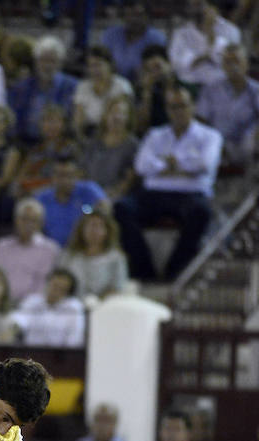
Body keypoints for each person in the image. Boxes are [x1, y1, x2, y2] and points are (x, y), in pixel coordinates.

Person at [114, 84, 223, 281]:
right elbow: (141, 166)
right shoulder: (156, 135)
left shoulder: (210, 136)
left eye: (182, 105)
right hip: (154, 194)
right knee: (121, 208)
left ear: (192, 107)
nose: (178, 111)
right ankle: (143, 271)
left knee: (202, 212)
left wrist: (166, 164)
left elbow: (205, 165)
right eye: (173, 107)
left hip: (190, 194)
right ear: (167, 109)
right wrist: (184, 166)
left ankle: (175, 272)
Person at [195, 43, 259, 168]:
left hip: (246, 143)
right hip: (216, 143)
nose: (233, 66)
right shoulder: (210, 89)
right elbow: (201, 120)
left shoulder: (256, 90)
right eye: (228, 62)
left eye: (236, 61)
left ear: (246, 64)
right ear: (223, 66)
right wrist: (212, 142)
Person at [8, 34, 78, 144]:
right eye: (43, 60)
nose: (47, 65)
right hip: (26, 143)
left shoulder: (72, 87)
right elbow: (14, 121)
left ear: (60, 63)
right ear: (36, 62)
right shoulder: (21, 88)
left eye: (52, 61)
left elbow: (73, 120)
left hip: (61, 144)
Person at [0, 197, 61, 305]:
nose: (28, 224)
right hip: (1, 303)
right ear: (16, 220)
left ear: (41, 223)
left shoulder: (50, 249)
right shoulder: (1, 246)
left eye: (34, 220)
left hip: (33, 307)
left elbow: (44, 284)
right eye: (24, 219)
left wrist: (27, 305)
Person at [35, 152, 108, 248]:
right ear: (52, 176)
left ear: (77, 175)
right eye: (60, 175)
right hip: (51, 251)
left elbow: (106, 211)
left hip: (83, 250)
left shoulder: (89, 190)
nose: (64, 180)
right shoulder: (42, 198)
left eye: (69, 175)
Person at [168, 0, 241, 91]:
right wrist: (207, 55)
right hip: (190, 87)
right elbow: (179, 64)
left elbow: (227, 61)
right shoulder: (180, 33)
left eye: (198, 4)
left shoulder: (230, 30)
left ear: (212, 7)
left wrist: (210, 33)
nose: (195, 9)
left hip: (221, 87)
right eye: (191, 5)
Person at [79, 95, 139, 203]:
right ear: (105, 116)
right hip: (90, 192)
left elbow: (129, 179)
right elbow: (82, 172)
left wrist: (109, 196)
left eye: (122, 113)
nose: (116, 117)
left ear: (128, 118)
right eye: (112, 112)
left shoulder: (132, 145)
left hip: (116, 196)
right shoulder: (94, 142)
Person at [59, 209, 129, 300]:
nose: (94, 231)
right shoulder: (68, 255)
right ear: (81, 229)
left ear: (107, 231)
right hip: (71, 305)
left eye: (99, 226)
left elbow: (118, 286)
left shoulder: (116, 258)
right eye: (90, 226)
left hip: (104, 305)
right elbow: (59, 280)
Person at [11, 267, 86, 348]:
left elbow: (75, 339)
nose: (56, 291)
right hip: (30, 353)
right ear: (48, 284)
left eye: (61, 289)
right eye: (54, 286)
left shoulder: (74, 307)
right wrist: (11, 330)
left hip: (60, 355)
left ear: (68, 291)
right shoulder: (32, 301)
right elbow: (19, 321)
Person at [72, 45, 134, 141]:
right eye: (91, 66)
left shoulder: (122, 86)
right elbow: (78, 119)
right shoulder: (83, 87)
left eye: (98, 65)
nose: (94, 70)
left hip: (116, 131)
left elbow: (126, 117)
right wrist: (80, 139)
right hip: (90, 133)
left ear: (109, 65)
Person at [16, 103, 78, 195]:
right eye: (48, 121)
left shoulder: (70, 148)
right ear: (40, 125)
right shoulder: (36, 150)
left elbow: (74, 176)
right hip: (35, 190)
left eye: (56, 121)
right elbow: (22, 175)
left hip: (61, 191)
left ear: (63, 125)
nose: (51, 126)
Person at [100, 0, 167, 83]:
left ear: (147, 16)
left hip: (146, 84)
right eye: (129, 15)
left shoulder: (156, 38)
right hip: (113, 84)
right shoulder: (110, 35)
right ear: (123, 17)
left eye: (139, 15)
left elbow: (160, 68)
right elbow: (102, 62)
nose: (134, 19)